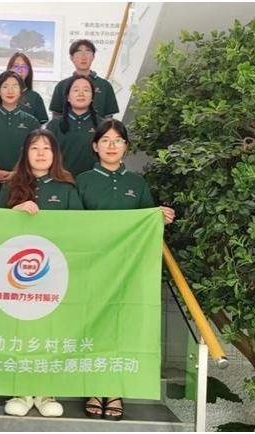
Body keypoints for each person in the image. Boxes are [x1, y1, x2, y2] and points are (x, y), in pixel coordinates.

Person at [76, 118, 175, 421]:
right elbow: (72, 226)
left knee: (123, 327)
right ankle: (94, 387)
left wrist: (158, 216)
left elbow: (146, 222)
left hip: (128, 270)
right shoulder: (82, 181)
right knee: (94, 326)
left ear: (126, 147)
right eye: (105, 140)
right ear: (95, 146)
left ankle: (115, 390)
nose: (111, 146)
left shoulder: (137, 183)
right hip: (93, 269)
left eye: (117, 141)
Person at [0, 129, 82, 418]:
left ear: (55, 154)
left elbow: (83, 229)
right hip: (17, 275)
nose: (41, 153)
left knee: (51, 332)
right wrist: (15, 211)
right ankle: (21, 391)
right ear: (25, 153)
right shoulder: (10, 186)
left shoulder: (67, 188)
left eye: (46, 148)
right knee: (21, 331)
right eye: (34, 147)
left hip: (55, 275)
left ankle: (47, 393)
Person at [0, 70, 41, 183]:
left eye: (15, 86)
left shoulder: (32, 122)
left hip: (23, 179)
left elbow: (34, 152)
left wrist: (17, 173)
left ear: (21, 91)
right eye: (5, 86)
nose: (10, 91)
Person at [46, 74, 104, 178]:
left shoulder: (103, 125)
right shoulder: (54, 125)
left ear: (92, 97)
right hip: (61, 181)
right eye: (76, 90)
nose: (81, 94)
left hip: (94, 182)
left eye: (86, 90)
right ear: (68, 97)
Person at [49, 39, 119, 118]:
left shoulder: (105, 85)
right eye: (79, 52)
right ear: (72, 58)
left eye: (87, 52)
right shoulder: (62, 86)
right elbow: (56, 116)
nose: (83, 57)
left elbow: (109, 118)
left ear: (93, 57)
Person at [0, 52, 48, 124]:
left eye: (24, 67)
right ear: (9, 69)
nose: (20, 70)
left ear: (29, 71)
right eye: (16, 66)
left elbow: (41, 125)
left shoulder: (35, 97)